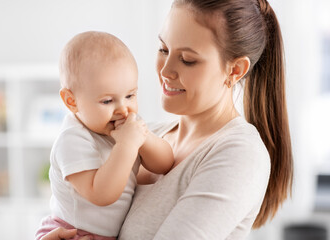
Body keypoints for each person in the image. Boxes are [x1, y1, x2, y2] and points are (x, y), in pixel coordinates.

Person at [42, 0, 293, 239]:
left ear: (235, 70)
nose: (164, 70)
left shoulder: (239, 154)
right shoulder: (140, 133)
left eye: (187, 60)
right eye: (163, 49)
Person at [35, 31, 174, 240]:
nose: (123, 109)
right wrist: (127, 146)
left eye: (130, 95)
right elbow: (102, 194)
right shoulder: (72, 140)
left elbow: (165, 163)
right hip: (71, 233)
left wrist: (143, 138)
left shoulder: (127, 130)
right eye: (107, 101)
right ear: (71, 101)